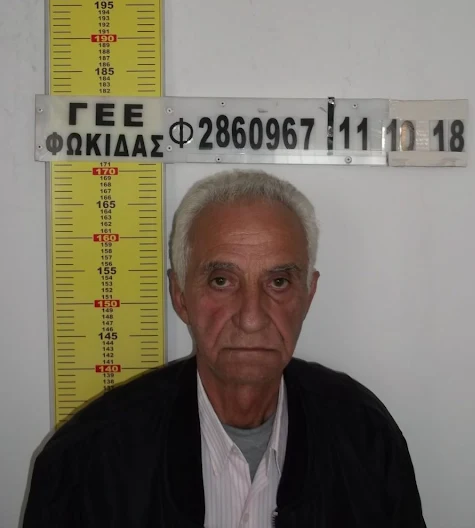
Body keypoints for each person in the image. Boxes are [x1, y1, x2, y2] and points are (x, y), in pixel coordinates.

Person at [23, 169, 426, 527]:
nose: (251, 318)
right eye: (221, 281)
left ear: (309, 294)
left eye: (279, 282)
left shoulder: (366, 440)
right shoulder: (86, 463)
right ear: (180, 296)